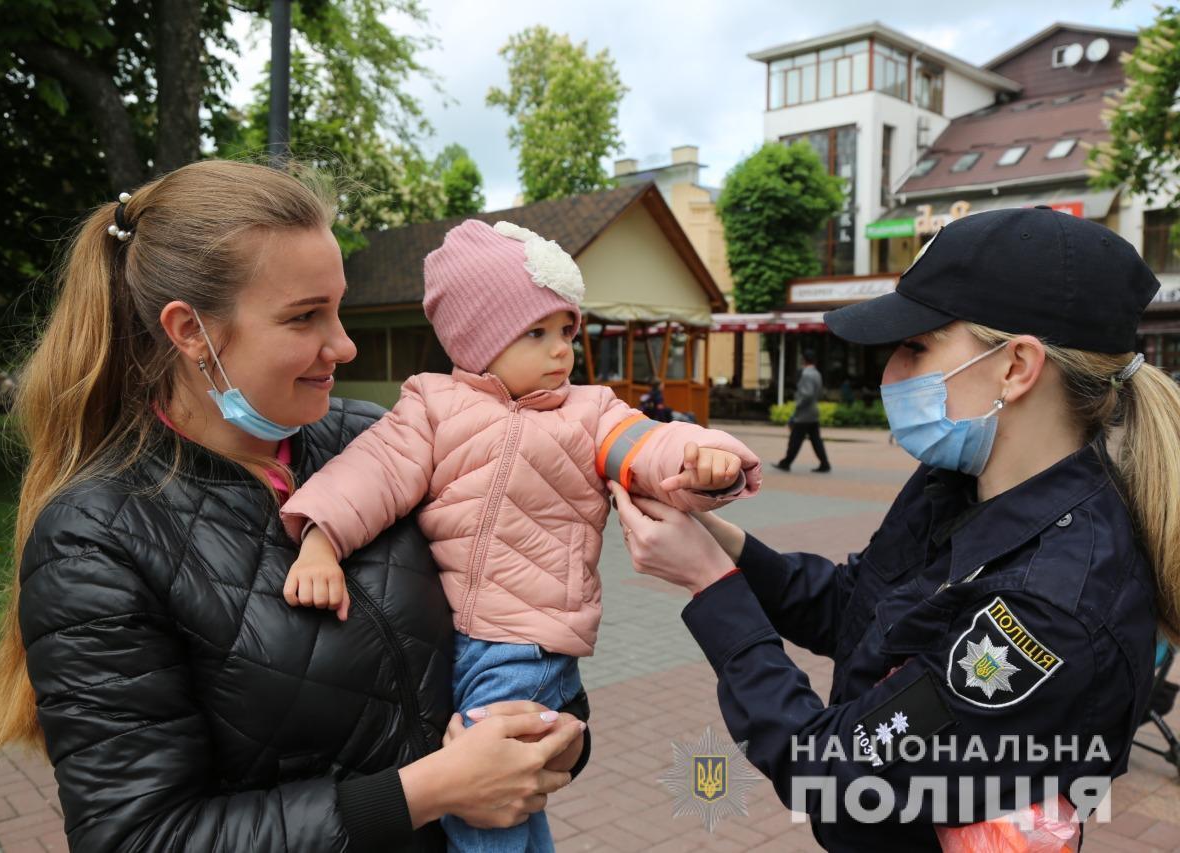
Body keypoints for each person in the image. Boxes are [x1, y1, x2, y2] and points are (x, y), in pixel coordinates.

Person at [0, 160, 596, 853]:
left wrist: (555, 730)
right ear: (189, 331)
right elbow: (139, 836)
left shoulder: (376, 441)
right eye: (305, 317)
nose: (344, 344)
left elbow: (502, 623)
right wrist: (429, 790)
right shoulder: (97, 540)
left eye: (338, 307)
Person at [608, 207, 1180, 850]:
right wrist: (719, 539)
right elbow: (855, 607)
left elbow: (834, 775)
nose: (889, 376)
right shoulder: (957, 482)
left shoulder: (1051, 610)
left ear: (1017, 366)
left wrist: (711, 587)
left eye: (916, 347)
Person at [277, 218, 762, 852]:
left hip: (526, 643)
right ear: (477, 340)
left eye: (566, 330)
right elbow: (372, 473)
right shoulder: (431, 406)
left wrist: (704, 456)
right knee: (515, 797)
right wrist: (320, 540)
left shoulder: (590, 414)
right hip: (453, 639)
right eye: (536, 333)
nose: (561, 349)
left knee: (484, 786)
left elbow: (649, 445)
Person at [774, 348, 831, 473]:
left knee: (795, 439)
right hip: (813, 411)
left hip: (804, 413)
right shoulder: (817, 373)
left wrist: (797, 408)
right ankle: (824, 463)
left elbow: (807, 394)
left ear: (804, 360)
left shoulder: (806, 374)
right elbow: (819, 392)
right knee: (816, 440)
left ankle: (786, 463)